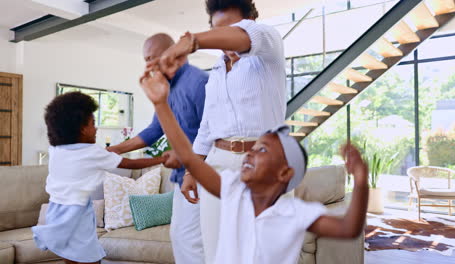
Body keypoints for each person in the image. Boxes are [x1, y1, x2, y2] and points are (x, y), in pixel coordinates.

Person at [139, 69, 369, 264]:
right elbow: (189, 155)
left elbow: (349, 228)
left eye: (262, 150)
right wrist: (161, 105)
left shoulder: (295, 213)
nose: (249, 152)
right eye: (253, 147)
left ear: (284, 172)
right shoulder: (232, 191)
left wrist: (360, 180)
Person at [147, 1, 287, 261]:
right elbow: (207, 126)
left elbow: (244, 37)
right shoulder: (217, 70)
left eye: (231, 28)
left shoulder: (269, 46)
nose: (223, 38)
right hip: (217, 162)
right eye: (215, 29)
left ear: (250, 21)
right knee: (215, 251)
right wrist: (192, 170)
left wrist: (190, 41)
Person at [32, 92, 169, 264]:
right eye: (93, 124)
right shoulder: (92, 152)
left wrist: (109, 151)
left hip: (56, 213)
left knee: (71, 257)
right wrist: (162, 159)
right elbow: (130, 164)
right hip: (76, 214)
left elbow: (88, 158)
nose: (96, 128)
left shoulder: (56, 150)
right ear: (81, 129)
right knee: (89, 258)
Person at [106, 33, 208, 263]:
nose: (148, 65)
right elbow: (154, 130)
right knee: (180, 236)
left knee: (192, 239)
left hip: (203, 174)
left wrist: (194, 171)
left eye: (152, 57)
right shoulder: (165, 87)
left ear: (171, 52)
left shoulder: (199, 82)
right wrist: (116, 150)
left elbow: (211, 132)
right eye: (145, 59)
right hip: (184, 175)